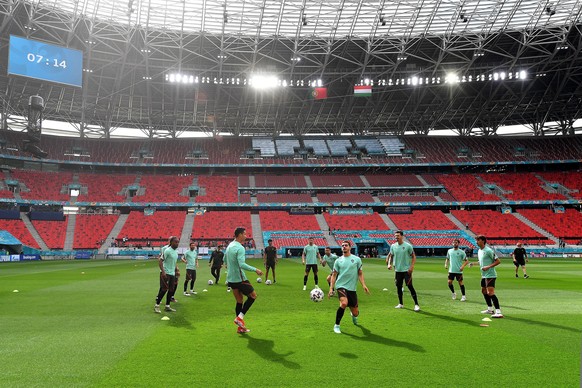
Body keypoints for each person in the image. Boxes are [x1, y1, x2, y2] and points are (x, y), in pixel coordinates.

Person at [226, 227, 263, 334]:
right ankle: (239, 318)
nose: (246, 236)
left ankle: (240, 328)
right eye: (245, 234)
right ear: (240, 235)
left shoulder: (229, 246)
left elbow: (225, 258)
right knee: (253, 296)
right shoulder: (240, 248)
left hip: (231, 278)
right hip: (239, 278)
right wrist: (255, 269)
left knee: (239, 301)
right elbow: (241, 264)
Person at [329, 240, 370, 334]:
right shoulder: (338, 261)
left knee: (356, 312)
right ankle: (337, 325)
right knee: (343, 303)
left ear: (350, 247)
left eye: (346, 245)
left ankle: (353, 315)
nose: (344, 247)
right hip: (341, 285)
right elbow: (334, 275)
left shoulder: (357, 259)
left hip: (352, 288)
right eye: (342, 245)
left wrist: (364, 285)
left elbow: (360, 273)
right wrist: (331, 288)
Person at [386, 230, 420, 312]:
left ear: (402, 236)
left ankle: (416, 304)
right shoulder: (393, 246)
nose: (396, 237)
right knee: (398, 287)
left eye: (398, 236)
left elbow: (413, 256)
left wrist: (412, 266)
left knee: (410, 286)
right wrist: (389, 264)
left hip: (406, 270)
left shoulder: (408, 246)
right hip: (397, 270)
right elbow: (391, 255)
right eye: (395, 236)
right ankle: (401, 303)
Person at [477, 235, 503, 318]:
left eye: (478, 240)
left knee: (490, 293)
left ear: (483, 241)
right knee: (483, 291)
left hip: (490, 274)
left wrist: (488, 267)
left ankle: (498, 312)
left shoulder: (488, 250)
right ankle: (490, 309)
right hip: (484, 275)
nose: (476, 242)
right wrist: (474, 263)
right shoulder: (479, 251)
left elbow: (498, 261)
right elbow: (482, 261)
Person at [154, 236, 180, 313]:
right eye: (176, 242)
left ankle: (167, 306)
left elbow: (174, 262)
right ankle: (157, 305)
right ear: (171, 242)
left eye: (178, 242)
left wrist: (176, 270)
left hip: (172, 273)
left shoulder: (176, 252)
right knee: (164, 289)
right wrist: (163, 272)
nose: (177, 243)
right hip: (166, 273)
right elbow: (160, 261)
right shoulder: (167, 251)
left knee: (171, 290)